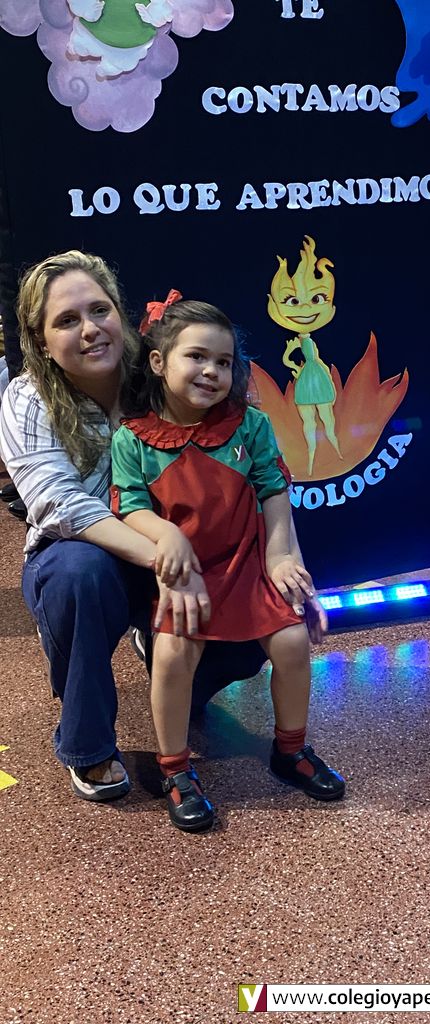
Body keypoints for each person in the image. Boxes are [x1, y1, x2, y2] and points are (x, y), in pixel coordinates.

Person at [0, 251, 330, 807]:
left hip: (191, 548)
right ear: (41, 339)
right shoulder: (28, 398)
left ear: (119, 313)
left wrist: (279, 557)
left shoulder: (166, 366)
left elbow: (259, 472)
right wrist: (167, 556)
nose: (90, 330)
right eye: (67, 320)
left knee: (241, 638)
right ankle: (88, 742)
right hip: (93, 550)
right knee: (79, 576)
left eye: (99, 310)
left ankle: (173, 670)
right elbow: (59, 504)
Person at [111, 293, 344, 831]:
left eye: (223, 361)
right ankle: (175, 769)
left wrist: (281, 557)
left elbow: (274, 490)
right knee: (173, 654)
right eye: (196, 356)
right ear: (158, 362)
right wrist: (166, 534)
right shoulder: (133, 438)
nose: (212, 371)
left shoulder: (250, 426)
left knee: (291, 642)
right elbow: (130, 506)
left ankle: (291, 750)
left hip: (247, 565)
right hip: (185, 575)